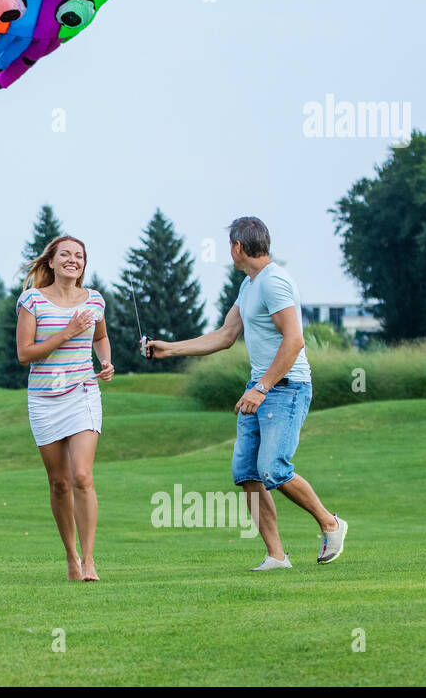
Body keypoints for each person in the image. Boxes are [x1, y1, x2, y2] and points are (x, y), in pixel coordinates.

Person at [146, 216, 348, 570]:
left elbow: (295, 340)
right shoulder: (250, 285)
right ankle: (276, 556)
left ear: (238, 247)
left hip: (286, 387)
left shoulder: (274, 282)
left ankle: (331, 523)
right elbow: (225, 336)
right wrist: (170, 349)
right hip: (259, 388)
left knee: (274, 469)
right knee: (247, 473)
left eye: (230, 245)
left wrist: (262, 387)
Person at [16, 236, 114, 582]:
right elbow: (25, 353)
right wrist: (69, 331)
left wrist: (105, 362)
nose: (73, 260)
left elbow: (100, 337)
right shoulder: (32, 301)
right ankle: (71, 558)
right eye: (66, 255)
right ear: (53, 262)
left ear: (84, 265)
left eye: (80, 256)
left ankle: (89, 561)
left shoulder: (95, 300)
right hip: (44, 399)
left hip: (83, 393)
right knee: (59, 483)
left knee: (82, 477)